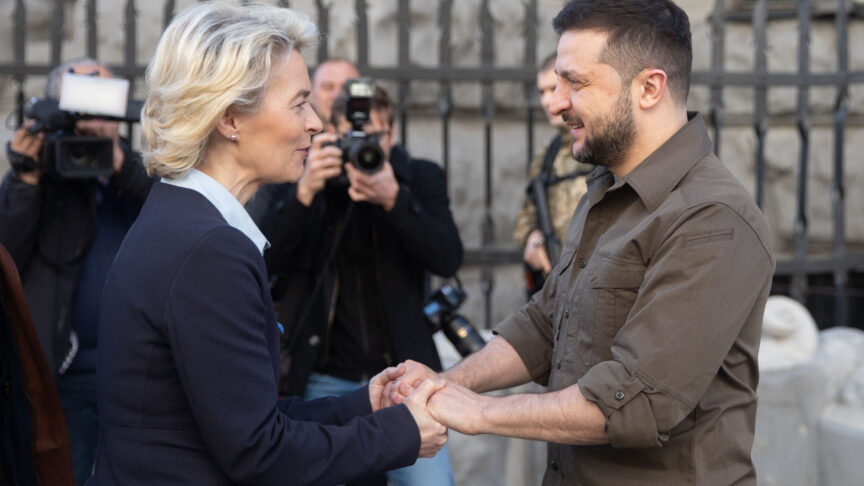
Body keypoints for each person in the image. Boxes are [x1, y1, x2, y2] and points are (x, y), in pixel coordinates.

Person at [391, 1, 776, 485]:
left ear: (649, 88)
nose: (554, 102)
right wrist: (447, 380)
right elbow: (546, 323)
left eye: (576, 82)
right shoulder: (604, 188)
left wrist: (478, 412)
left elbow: (634, 399)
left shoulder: (712, 217)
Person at [88, 4, 447, 485]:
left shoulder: (179, 218)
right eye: (300, 102)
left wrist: (364, 405)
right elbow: (260, 454)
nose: (317, 123)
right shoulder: (209, 249)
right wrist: (400, 434)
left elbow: (241, 420)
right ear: (231, 117)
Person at [254, 84, 462, 486]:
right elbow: (264, 261)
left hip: (405, 376)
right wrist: (307, 191)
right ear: (331, 135)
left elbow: (447, 257)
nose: (364, 148)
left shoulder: (419, 177)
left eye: (375, 138)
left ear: (393, 136)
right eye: (354, 139)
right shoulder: (306, 179)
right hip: (326, 377)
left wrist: (394, 200)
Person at [0, 57, 154, 485]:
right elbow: (6, 256)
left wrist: (122, 166)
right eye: (79, 108)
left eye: (101, 106)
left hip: (135, 374)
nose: (91, 122)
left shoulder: (139, 173)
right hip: (62, 373)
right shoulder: (40, 176)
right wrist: (27, 179)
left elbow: (178, 214)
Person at [513, 52, 592, 295]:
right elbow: (527, 213)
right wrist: (531, 237)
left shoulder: (601, 147)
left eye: (553, 88)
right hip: (554, 286)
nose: (547, 100)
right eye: (541, 92)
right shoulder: (547, 154)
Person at [310, 58, 360, 129]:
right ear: (312, 95)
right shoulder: (298, 139)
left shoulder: (379, 136)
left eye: (346, 88)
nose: (336, 96)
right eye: (327, 87)